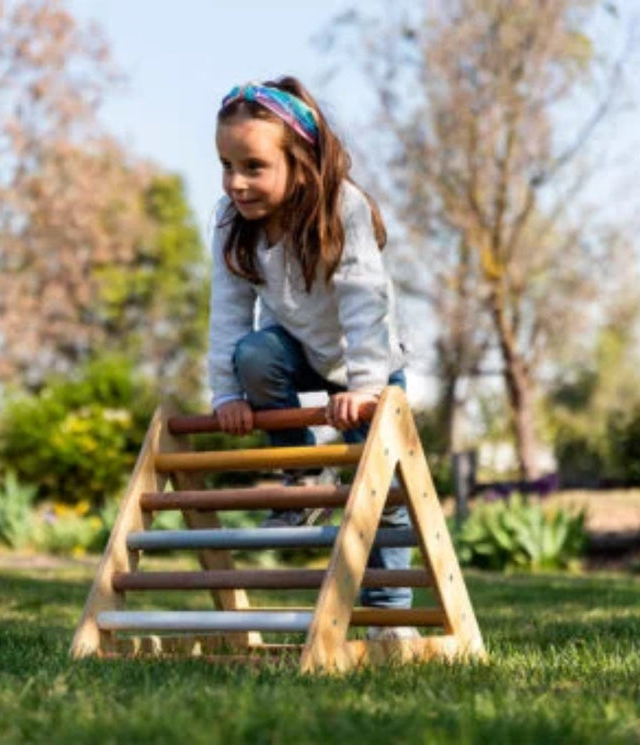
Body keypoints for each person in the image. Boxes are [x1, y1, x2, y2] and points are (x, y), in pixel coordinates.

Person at [207, 76, 417, 639]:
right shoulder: (232, 224)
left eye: (253, 166)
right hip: (298, 351)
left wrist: (369, 388)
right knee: (253, 355)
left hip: (366, 359)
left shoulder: (340, 207)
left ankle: (390, 614)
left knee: (383, 492)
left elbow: (364, 299)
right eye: (226, 165)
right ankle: (300, 471)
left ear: (300, 161)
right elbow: (227, 314)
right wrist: (226, 394)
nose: (236, 183)